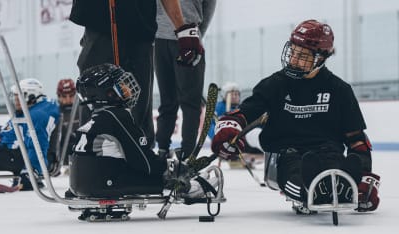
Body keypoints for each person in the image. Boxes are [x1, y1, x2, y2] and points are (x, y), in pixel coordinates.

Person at [211, 19, 380, 212]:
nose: (293, 60)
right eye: (293, 52)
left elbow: (357, 140)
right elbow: (244, 113)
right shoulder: (275, 84)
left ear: (321, 58)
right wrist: (228, 129)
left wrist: (365, 178)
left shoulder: (340, 90)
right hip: (286, 155)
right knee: (301, 178)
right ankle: (313, 190)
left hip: (328, 151)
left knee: (337, 170)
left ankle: (345, 184)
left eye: (303, 56)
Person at [69, 0, 204, 148]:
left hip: (140, 31)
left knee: (138, 105)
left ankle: (143, 160)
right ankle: (90, 157)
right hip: (100, 26)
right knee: (95, 101)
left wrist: (182, 29)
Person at [72, 63, 218, 198]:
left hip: (81, 185)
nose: (128, 89)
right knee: (159, 175)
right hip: (106, 184)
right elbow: (144, 162)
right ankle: (188, 188)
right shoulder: (118, 116)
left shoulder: (97, 119)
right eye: (121, 86)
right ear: (107, 93)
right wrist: (173, 168)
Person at [154, 0, 216, 159]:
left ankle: (162, 149)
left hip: (161, 39)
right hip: (187, 38)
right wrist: (196, 34)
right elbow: (208, 9)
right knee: (190, 103)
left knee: (167, 100)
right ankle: (187, 154)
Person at [0, 78, 60, 190]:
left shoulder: (37, 116)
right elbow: (16, 131)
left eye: (19, 96)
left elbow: (37, 144)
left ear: (31, 96)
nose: (16, 100)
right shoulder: (34, 109)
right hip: (15, 152)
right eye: (15, 96)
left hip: (18, 156)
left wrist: (31, 171)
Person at [48, 79, 87, 176]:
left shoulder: (84, 110)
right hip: (61, 155)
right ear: (58, 95)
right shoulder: (54, 112)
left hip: (81, 152)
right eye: (64, 96)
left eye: (71, 95)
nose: (68, 99)